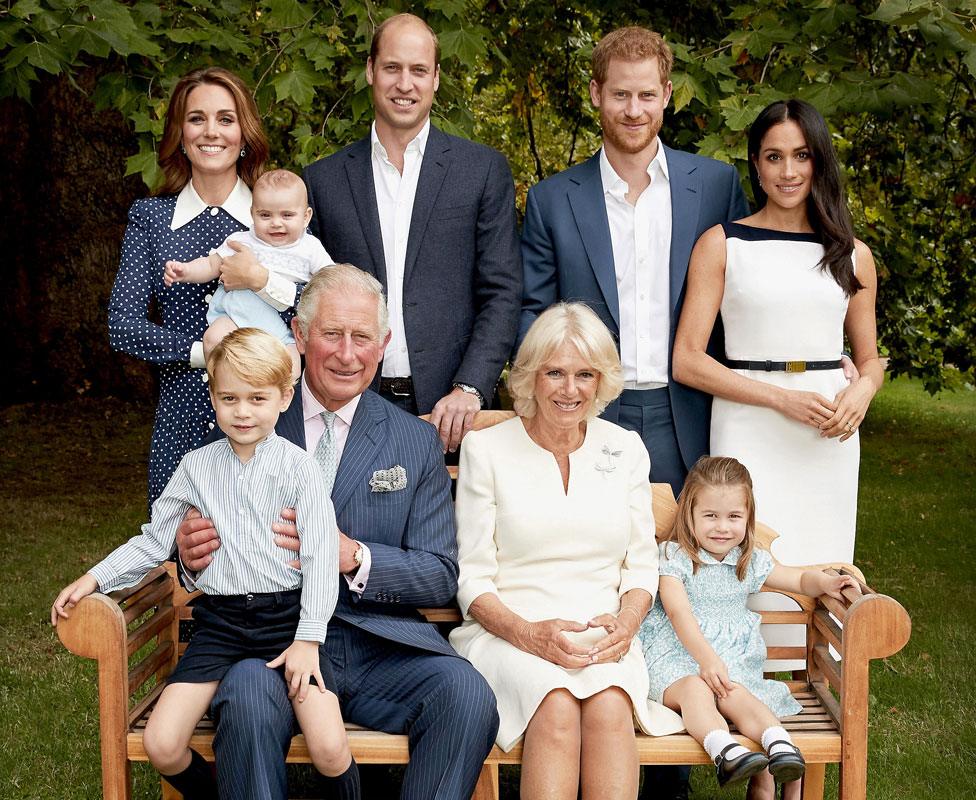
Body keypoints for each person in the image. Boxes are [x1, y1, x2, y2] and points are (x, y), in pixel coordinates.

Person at [176, 264, 499, 800]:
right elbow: (194, 545)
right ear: (300, 336)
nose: (347, 354)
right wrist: (191, 556)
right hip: (269, 644)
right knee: (248, 699)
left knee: (465, 694)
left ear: (383, 344)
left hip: (379, 644)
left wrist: (353, 556)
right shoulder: (247, 418)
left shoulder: (412, 442)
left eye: (362, 337)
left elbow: (440, 575)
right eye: (331, 334)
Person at [51, 328, 359, 800]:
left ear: (283, 397)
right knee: (162, 743)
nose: (242, 411)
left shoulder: (301, 470)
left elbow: (319, 559)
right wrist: (94, 578)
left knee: (330, 747)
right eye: (229, 397)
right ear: (212, 396)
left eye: (258, 397)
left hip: (288, 623)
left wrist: (308, 638)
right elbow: (154, 541)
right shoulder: (196, 467)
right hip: (222, 626)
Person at [449, 302, 684, 800]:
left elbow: (642, 566)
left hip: (603, 634)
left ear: (601, 381)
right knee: (554, 701)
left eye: (584, 374)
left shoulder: (625, 448)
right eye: (555, 372)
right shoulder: (485, 450)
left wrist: (625, 625)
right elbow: (471, 579)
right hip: (508, 633)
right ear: (531, 375)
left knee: (610, 703)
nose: (569, 389)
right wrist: (529, 635)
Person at [519, 26, 749, 497]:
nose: (633, 110)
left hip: (692, 410)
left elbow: (750, 294)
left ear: (666, 94)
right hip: (589, 411)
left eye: (646, 94)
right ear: (596, 93)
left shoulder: (715, 187)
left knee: (696, 561)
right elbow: (532, 312)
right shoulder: (552, 200)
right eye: (620, 94)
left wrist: (820, 361)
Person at [672, 98, 882, 571]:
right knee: (744, 563)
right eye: (774, 156)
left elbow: (869, 360)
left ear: (819, 161)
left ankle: (823, 647)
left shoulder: (853, 256)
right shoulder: (723, 244)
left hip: (829, 432)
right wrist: (781, 399)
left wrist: (863, 391)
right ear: (756, 163)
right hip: (747, 423)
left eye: (802, 155)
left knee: (824, 560)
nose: (788, 171)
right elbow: (686, 359)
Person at [299, 12, 522, 453]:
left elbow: (502, 290)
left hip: (452, 411)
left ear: (436, 78)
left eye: (419, 70)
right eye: (392, 68)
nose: (406, 83)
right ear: (370, 71)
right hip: (348, 404)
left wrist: (472, 388)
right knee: (344, 525)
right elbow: (308, 296)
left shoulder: (481, 171)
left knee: (448, 525)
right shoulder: (322, 181)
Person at [107, 67, 302, 508]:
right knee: (182, 555)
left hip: (271, 417)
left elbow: (314, 313)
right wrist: (207, 353)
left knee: (273, 553)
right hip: (184, 413)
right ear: (179, 132)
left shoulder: (278, 214)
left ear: (244, 133)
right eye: (196, 119)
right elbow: (122, 325)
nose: (211, 131)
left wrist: (262, 281)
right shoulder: (151, 219)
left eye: (225, 119)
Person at [638, 456, 859, 795]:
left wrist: (826, 583)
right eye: (710, 516)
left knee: (737, 694)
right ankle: (724, 750)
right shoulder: (675, 557)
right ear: (690, 516)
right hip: (678, 659)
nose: (722, 527)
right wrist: (707, 660)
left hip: (731, 667)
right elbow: (679, 613)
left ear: (747, 518)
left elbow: (798, 578)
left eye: (733, 517)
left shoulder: (748, 559)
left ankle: (781, 746)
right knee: (698, 690)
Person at [164, 169, 334, 381]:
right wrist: (186, 270)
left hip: (279, 329)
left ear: (306, 216)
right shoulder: (241, 240)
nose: (276, 223)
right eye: (265, 215)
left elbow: (331, 281)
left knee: (293, 369)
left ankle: (273, 406)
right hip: (235, 318)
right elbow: (211, 265)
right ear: (252, 214)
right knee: (213, 339)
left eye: (287, 215)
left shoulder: (310, 248)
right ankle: (225, 389)